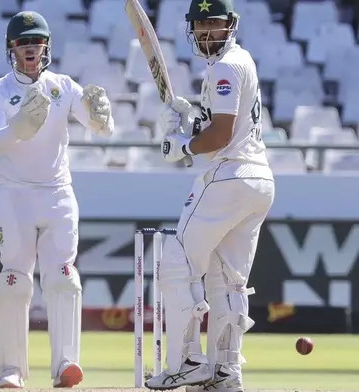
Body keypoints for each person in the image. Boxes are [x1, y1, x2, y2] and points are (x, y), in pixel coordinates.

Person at [144, 0, 275, 391]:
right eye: (200, 25)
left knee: (176, 264)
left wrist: (182, 147)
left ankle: (186, 360)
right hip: (258, 180)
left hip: (228, 177)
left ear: (230, 25)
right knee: (228, 281)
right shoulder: (240, 61)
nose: (206, 32)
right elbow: (220, 125)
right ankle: (224, 373)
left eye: (214, 24)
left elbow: (219, 136)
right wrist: (190, 120)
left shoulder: (225, 67)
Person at [0, 10, 114, 389]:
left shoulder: (63, 86)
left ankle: (66, 365)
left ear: (46, 46)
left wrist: (103, 118)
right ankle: (11, 371)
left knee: (63, 277)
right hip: (14, 195)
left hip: (57, 194)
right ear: (12, 47)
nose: (30, 48)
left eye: (36, 42)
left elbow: (99, 129)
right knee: (13, 280)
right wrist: (21, 125)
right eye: (23, 42)